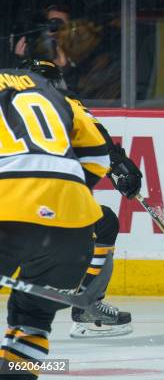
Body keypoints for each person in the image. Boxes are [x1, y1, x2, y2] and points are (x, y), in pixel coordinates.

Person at [17, 59, 141, 339]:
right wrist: (120, 167)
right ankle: (87, 306)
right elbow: (98, 140)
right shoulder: (64, 101)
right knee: (104, 223)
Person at [0, 62, 109, 378]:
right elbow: (99, 157)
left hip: (7, 208)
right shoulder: (54, 94)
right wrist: (55, 197)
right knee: (33, 319)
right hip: (72, 224)